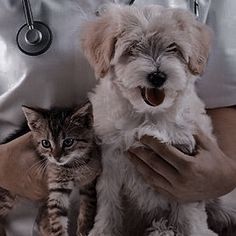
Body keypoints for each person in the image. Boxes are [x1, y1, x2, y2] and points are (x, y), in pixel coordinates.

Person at [0, 0, 236, 235]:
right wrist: (3, 165)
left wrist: (227, 174)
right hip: (30, 217)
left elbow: (223, 98)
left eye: (172, 49)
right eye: (133, 50)